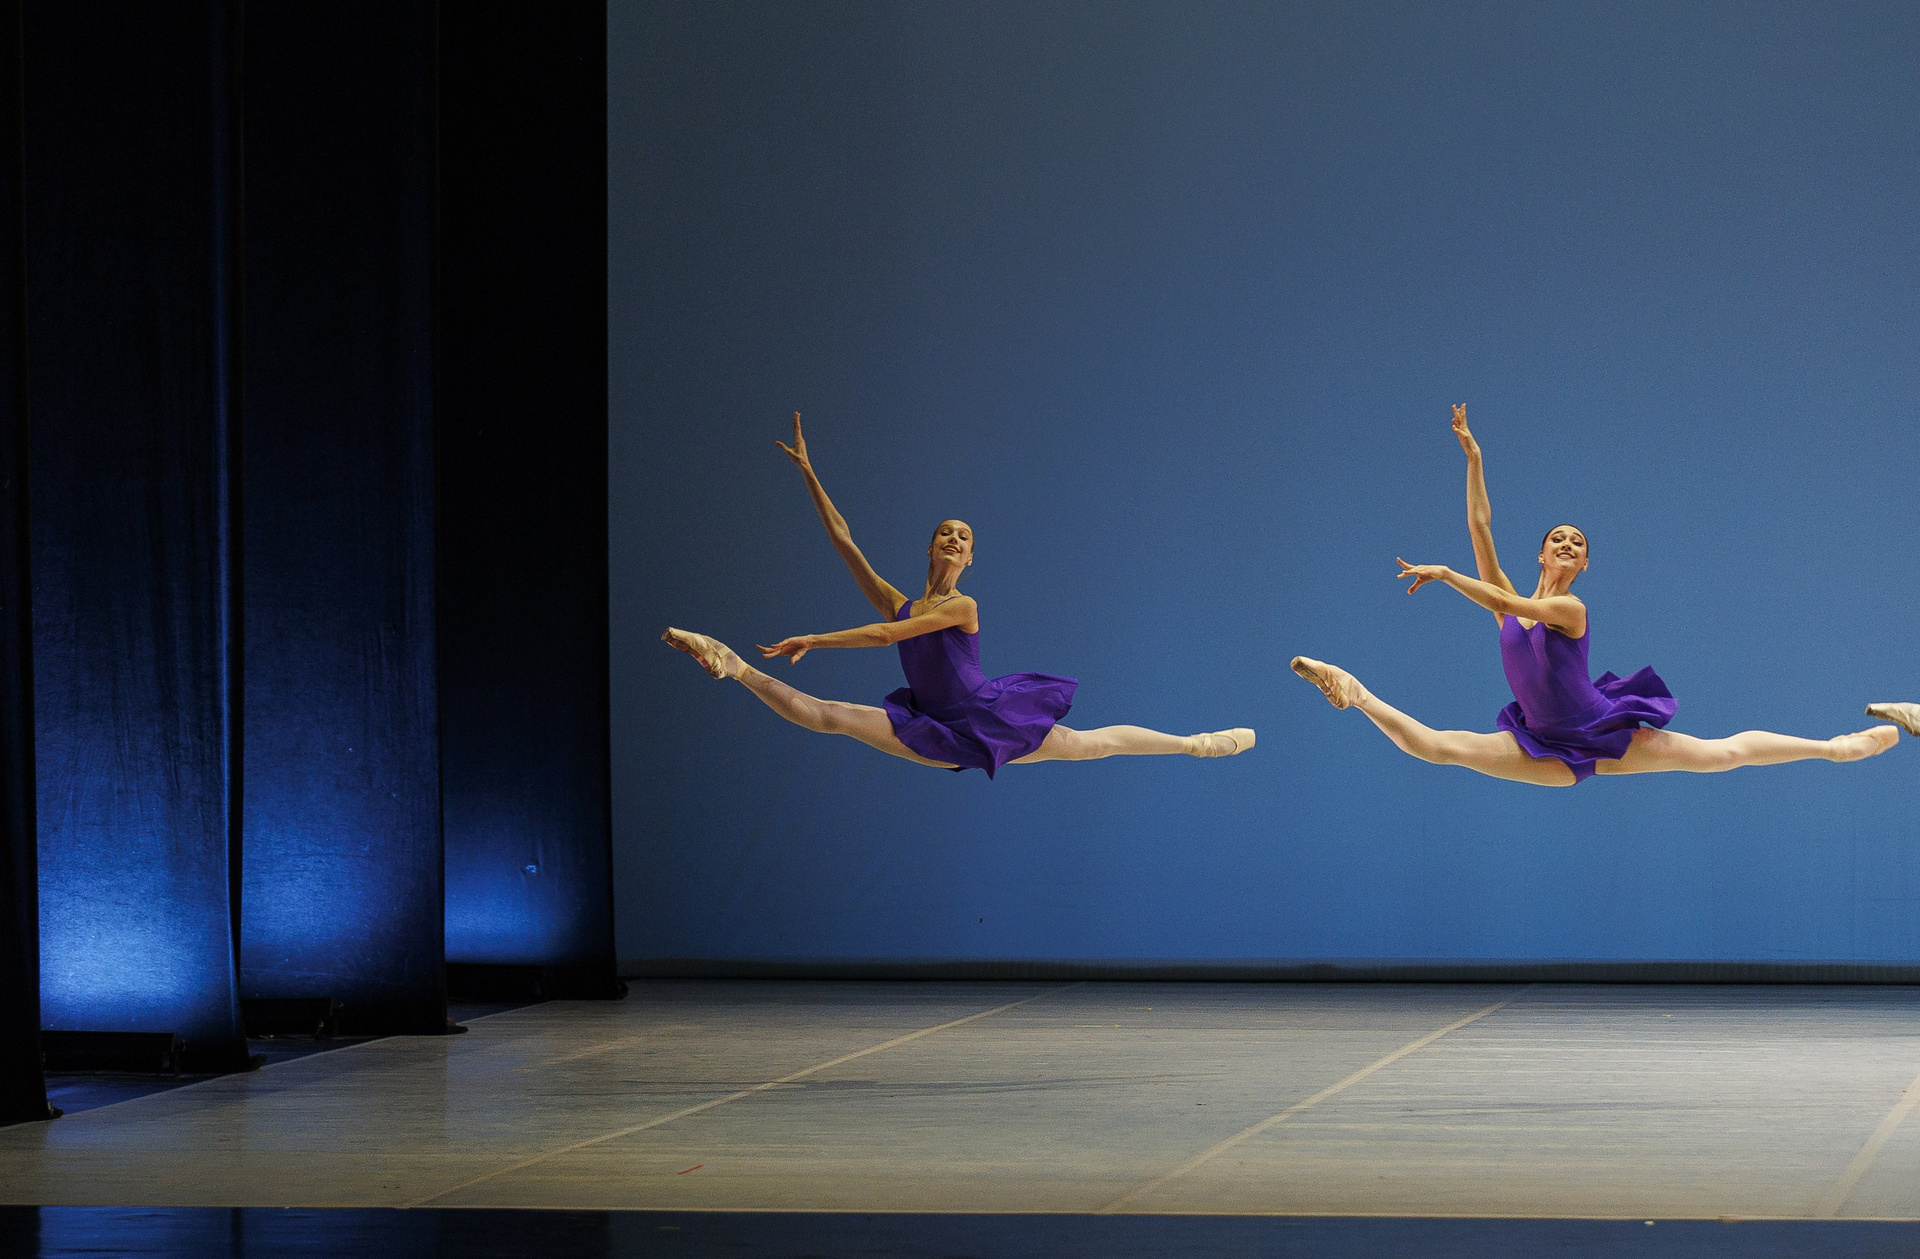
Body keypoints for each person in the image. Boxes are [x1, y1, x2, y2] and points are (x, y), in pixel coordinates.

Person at [1289, 404, 1896, 786]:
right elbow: (1480, 526)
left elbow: (1517, 606)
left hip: (1603, 732)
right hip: (1544, 744)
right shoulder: (1507, 608)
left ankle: (1837, 748)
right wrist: (1474, 457)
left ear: (1583, 564)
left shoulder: (1568, 611)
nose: (1567, 543)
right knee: (1438, 748)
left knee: (1721, 755)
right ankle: (1354, 691)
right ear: (1541, 554)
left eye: (1577, 543)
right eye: (1557, 538)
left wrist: (1448, 576)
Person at [663, 413, 1254, 777]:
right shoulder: (899, 600)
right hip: (932, 725)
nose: (954, 538)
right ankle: (734, 665)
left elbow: (888, 636)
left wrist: (815, 639)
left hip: (988, 716)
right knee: (829, 717)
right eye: (945, 532)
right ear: (930, 548)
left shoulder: (962, 608)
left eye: (964, 537)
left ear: (970, 559)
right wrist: (810, 475)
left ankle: (1195, 744)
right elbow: (845, 542)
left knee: (1088, 746)